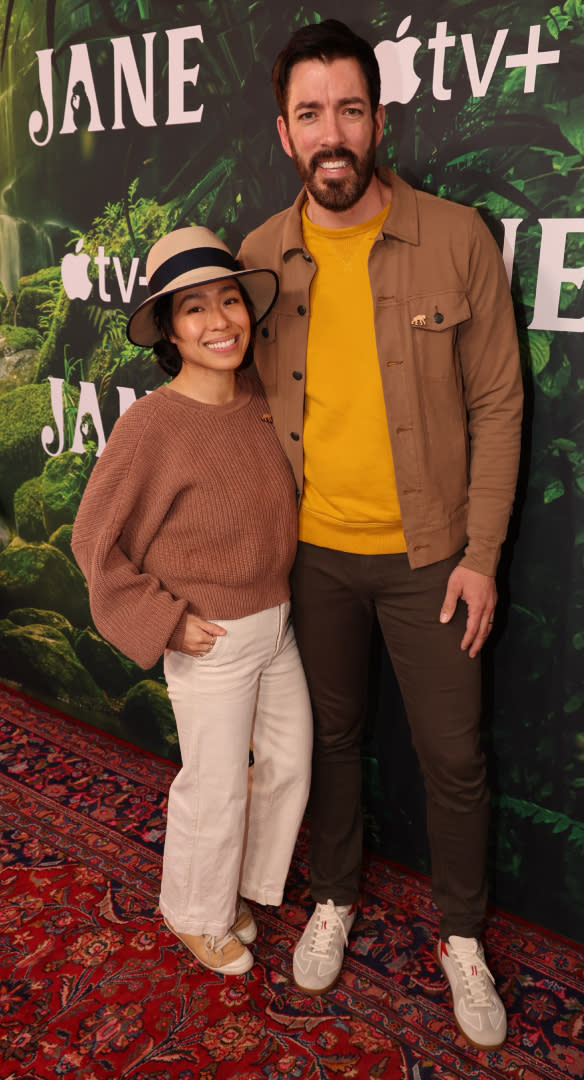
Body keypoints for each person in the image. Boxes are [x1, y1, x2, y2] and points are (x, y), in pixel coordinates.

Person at [238, 19, 523, 1048]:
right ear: (283, 132)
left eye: (348, 109)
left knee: (453, 757)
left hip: (430, 560)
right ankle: (334, 898)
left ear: (378, 119)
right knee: (334, 741)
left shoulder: (455, 239)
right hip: (311, 558)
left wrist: (481, 556)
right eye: (310, 112)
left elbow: (497, 405)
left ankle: (460, 940)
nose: (332, 132)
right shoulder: (260, 256)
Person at [72, 226, 313, 977]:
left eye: (229, 301)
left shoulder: (263, 402)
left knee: (288, 763)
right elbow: (91, 538)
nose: (219, 322)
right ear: (170, 332)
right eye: (194, 310)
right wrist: (164, 620)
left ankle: (235, 887)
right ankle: (193, 913)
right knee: (212, 784)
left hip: (277, 622)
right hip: (210, 636)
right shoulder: (152, 424)